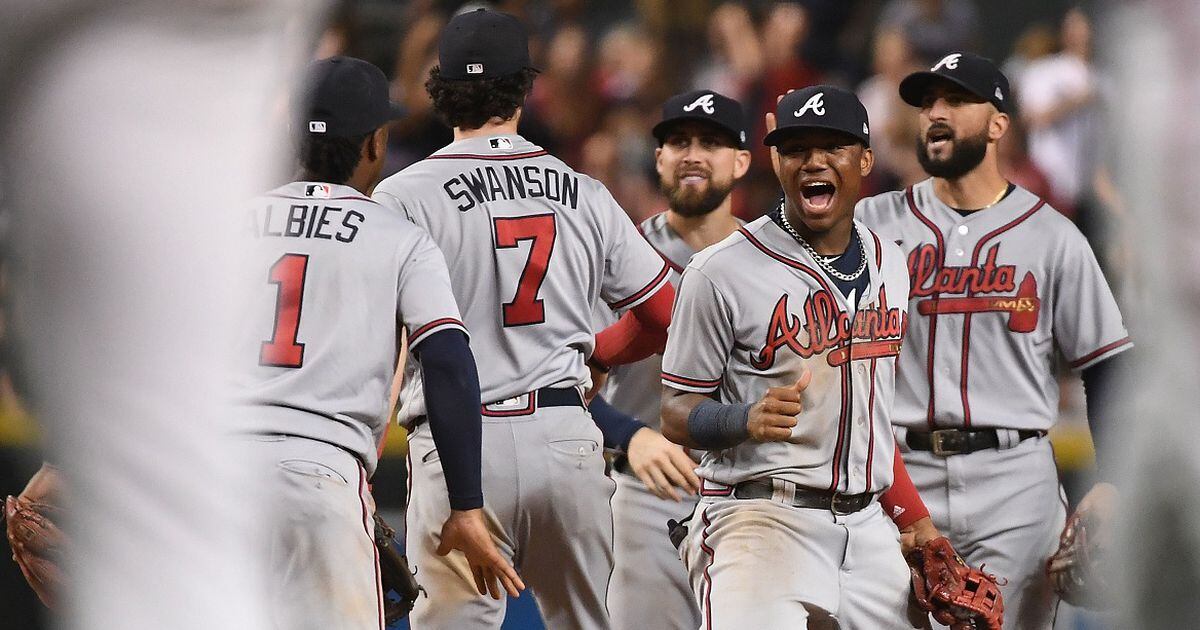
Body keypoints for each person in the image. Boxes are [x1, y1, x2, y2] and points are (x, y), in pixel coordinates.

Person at [373, 9, 674, 630]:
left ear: (441, 87)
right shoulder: (582, 190)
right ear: (526, 86)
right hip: (563, 435)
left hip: (457, 450)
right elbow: (666, 313)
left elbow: (380, 348)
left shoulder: (402, 195)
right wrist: (599, 355)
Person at [237, 56, 521, 629]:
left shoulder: (226, 221)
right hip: (320, 477)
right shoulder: (399, 239)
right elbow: (446, 361)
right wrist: (465, 503)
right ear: (373, 144)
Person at [856, 52, 1132, 629]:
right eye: (927, 102)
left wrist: (1108, 480)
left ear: (999, 124)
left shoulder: (1054, 236)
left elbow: (1105, 364)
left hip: (1015, 483)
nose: (935, 113)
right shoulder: (872, 224)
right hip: (897, 478)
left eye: (955, 101)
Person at [660, 85, 941, 629]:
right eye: (796, 149)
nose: (813, 161)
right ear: (775, 160)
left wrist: (917, 521)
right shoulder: (719, 272)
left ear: (864, 160)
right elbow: (674, 411)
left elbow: (871, 421)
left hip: (867, 527)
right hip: (758, 518)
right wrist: (743, 419)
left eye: (832, 146)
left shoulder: (889, 264)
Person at [589, 89, 750, 630]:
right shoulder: (614, 259)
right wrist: (628, 434)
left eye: (711, 142)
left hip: (751, 492)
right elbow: (559, 383)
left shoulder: (775, 261)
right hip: (646, 490)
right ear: (657, 158)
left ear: (743, 161)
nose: (693, 154)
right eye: (678, 141)